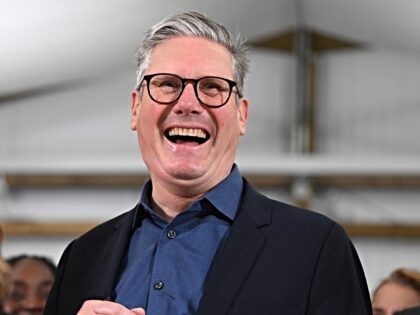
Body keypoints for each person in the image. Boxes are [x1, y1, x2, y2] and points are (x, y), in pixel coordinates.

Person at [44, 11, 372, 315]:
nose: (188, 104)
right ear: (135, 108)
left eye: (212, 87)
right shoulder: (82, 257)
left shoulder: (315, 247)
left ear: (241, 114)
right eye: (168, 84)